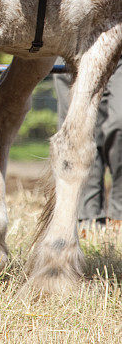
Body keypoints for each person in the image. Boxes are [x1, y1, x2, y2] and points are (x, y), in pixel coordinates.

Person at [54, 61, 122, 230]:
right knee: (80, 130)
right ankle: (89, 217)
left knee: (119, 124)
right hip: (70, 50)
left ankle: (119, 211)